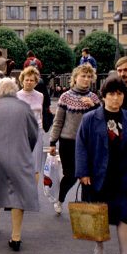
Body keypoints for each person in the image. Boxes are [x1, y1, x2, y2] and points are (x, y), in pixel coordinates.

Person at [75, 76, 127, 254]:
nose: (115, 98)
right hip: (99, 174)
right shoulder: (91, 119)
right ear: (103, 96)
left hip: (124, 175)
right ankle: (99, 245)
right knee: (99, 214)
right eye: (111, 94)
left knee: (126, 215)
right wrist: (83, 172)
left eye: (119, 93)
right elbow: (81, 146)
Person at [0, 78, 39, 251]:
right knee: (18, 191)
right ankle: (16, 237)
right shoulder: (24, 107)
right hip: (19, 152)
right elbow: (33, 134)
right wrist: (27, 148)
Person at [49, 64, 101, 215]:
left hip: (88, 143)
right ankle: (60, 200)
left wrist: (93, 107)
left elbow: (100, 121)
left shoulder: (94, 98)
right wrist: (53, 142)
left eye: (89, 76)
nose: (86, 79)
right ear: (75, 78)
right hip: (68, 142)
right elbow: (58, 121)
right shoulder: (66, 97)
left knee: (88, 176)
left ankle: (86, 207)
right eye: (83, 76)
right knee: (71, 175)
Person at [17, 67, 44, 182]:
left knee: (36, 164)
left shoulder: (40, 95)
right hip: (21, 132)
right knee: (21, 163)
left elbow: (41, 114)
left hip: (37, 130)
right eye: (26, 79)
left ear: (36, 82)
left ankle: (33, 194)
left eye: (32, 80)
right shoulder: (16, 95)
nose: (29, 82)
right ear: (22, 80)